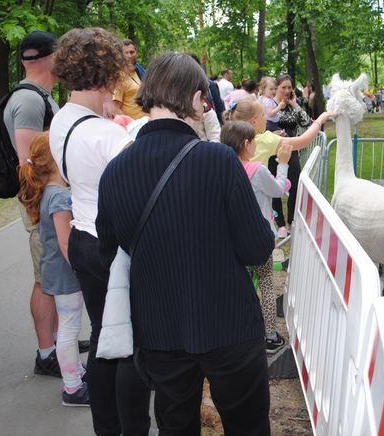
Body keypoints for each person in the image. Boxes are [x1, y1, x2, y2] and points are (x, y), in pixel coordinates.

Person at [96, 53, 274, 436]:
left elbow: (109, 250)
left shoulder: (114, 172)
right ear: (196, 100)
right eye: (205, 101)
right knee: (248, 426)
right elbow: (257, 248)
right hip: (229, 324)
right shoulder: (219, 160)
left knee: (175, 425)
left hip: (158, 329)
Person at [49, 27, 151, 436]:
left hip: (81, 238)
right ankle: (133, 427)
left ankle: (106, 426)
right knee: (127, 347)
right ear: (109, 75)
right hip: (112, 246)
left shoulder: (62, 121)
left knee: (102, 342)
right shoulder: (107, 134)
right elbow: (140, 187)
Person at [3, 30, 68, 378]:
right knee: (45, 277)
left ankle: (57, 343)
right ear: (47, 57)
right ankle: (47, 353)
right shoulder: (28, 100)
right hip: (41, 202)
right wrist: (45, 207)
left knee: (51, 274)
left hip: (47, 200)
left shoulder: (39, 95)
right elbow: (27, 163)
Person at [18, 132, 89, 407]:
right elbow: (65, 242)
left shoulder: (49, 191)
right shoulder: (59, 197)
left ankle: (74, 373)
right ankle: (72, 387)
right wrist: (81, 267)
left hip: (55, 271)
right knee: (70, 328)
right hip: (65, 273)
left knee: (68, 328)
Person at [220, 120, 291, 354]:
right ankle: (269, 335)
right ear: (246, 144)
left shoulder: (221, 168)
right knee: (267, 284)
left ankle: (238, 330)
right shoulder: (257, 170)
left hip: (231, 238)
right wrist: (282, 165)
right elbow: (278, 190)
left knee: (239, 285)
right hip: (258, 238)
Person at [272, 74, 312, 237]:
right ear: (277, 88)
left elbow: (307, 123)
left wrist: (295, 105)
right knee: (273, 188)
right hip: (273, 150)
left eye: (290, 87)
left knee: (296, 185)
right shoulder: (270, 105)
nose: (287, 91)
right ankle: (279, 222)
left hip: (292, 149)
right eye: (284, 87)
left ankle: (291, 221)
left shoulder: (292, 106)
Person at [103, 39, 147, 120]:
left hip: (146, 125)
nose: (129, 56)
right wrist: (133, 125)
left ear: (136, 53)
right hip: (133, 128)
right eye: (125, 53)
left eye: (132, 52)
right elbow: (114, 109)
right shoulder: (119, 78)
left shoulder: (138, 71)